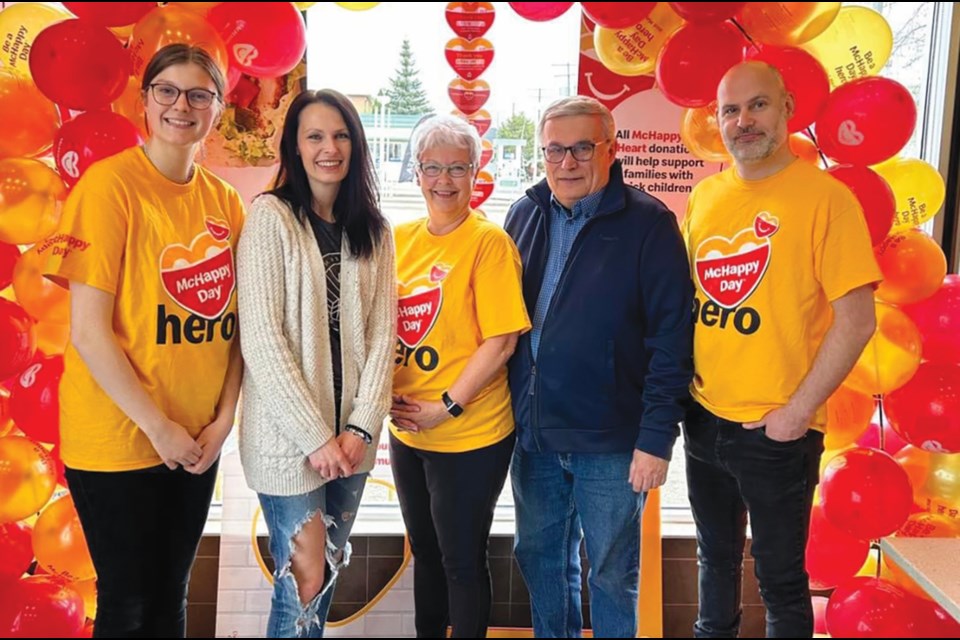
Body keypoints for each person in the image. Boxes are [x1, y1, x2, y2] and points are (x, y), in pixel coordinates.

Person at [40, 44, 244, 637]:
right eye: (168, 91)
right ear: (144, 101)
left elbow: (236, 331)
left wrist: (222, 423)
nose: (182, 105)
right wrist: (160, 429)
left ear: (218, 109)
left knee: (171, 598)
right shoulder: (109, 189)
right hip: (120, 439)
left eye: (199, 94)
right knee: (128, 603)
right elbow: (88, 331)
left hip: (197, 442)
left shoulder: (226, 203)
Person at [681, 61, 880, 638]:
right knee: (713, 563)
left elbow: (858, 321)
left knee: (782, 585)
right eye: (730, 110)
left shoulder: (827, 200)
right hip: (705, 418)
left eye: (758, 105)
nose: (744, 121)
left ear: (788, 107)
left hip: (777, 433)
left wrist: (795, 414)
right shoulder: (706, 196)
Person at [504, 95, 693, 638]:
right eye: (554, 150)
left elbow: (672, 340)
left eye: (582, 147)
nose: (567, 162)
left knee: (611, 574)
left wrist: (656, 439)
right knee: (540, 560)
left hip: (613, 441)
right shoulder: (525, 213)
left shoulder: (649, 224)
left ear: (611, 149)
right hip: (535, 433)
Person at [235, 89, 396, 638]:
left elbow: (382, 338)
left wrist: (360, 427)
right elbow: (262, 340)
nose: (330, 147)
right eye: (316, 136)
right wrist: (315, 437)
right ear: (296, 148)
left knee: (325, 572)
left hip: (351, 439)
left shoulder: (374, 230)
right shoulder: (270, 218)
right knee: (302, 578)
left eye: (341, 135)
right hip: (287, 441)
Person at [389, 114, 530, 638]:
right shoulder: (399, 239)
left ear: (476, 172)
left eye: (456, 168)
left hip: (469, 433)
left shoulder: (488, 244)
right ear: (417, 172)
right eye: (432, 168)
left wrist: (446, 405)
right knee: (425, 554)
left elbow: (502, 341)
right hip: (408, 431)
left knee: (461, 561)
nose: (443, 181)